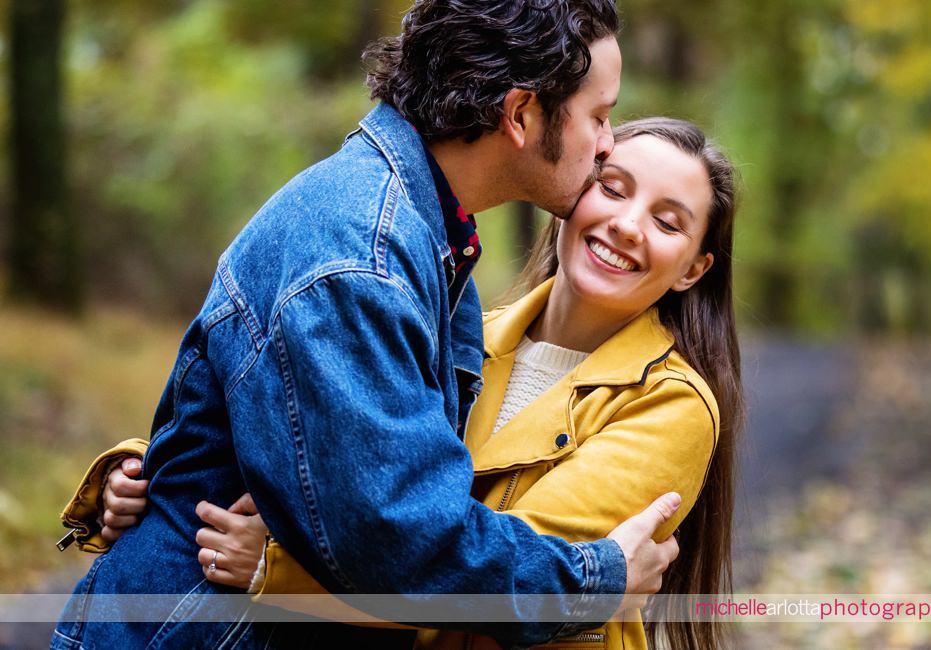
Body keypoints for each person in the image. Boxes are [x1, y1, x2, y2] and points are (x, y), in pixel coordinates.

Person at [52, 2, 685, 649]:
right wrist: (594, 579)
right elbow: (402, 538)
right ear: (521, 114)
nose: (606, 143)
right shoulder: (361, 256)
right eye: (598, 116)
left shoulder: (422, 240)